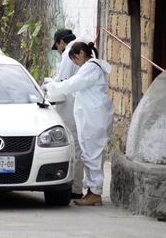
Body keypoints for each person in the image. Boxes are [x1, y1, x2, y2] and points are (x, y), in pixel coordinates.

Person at [44, 42, 114, 206]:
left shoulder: (91, 68)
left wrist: (53, 86)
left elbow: (72, 84)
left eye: (75, 59)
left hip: (94, 117)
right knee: (89, 153)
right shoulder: (91, 67)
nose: (75, 63)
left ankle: (95, 192)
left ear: (81, 53)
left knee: (93, 154)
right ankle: (91, 191)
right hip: (92, 116)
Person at [46, 28, 84, 199]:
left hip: (71, 106)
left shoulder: (69, 53)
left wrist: (49, 85)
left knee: (74, 145)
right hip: (81, 105)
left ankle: (75, 188)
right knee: (80, 145)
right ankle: (78, 187)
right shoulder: (80, 48)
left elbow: (61, 83)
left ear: (60, 42)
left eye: (57, 46)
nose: (59, 49)